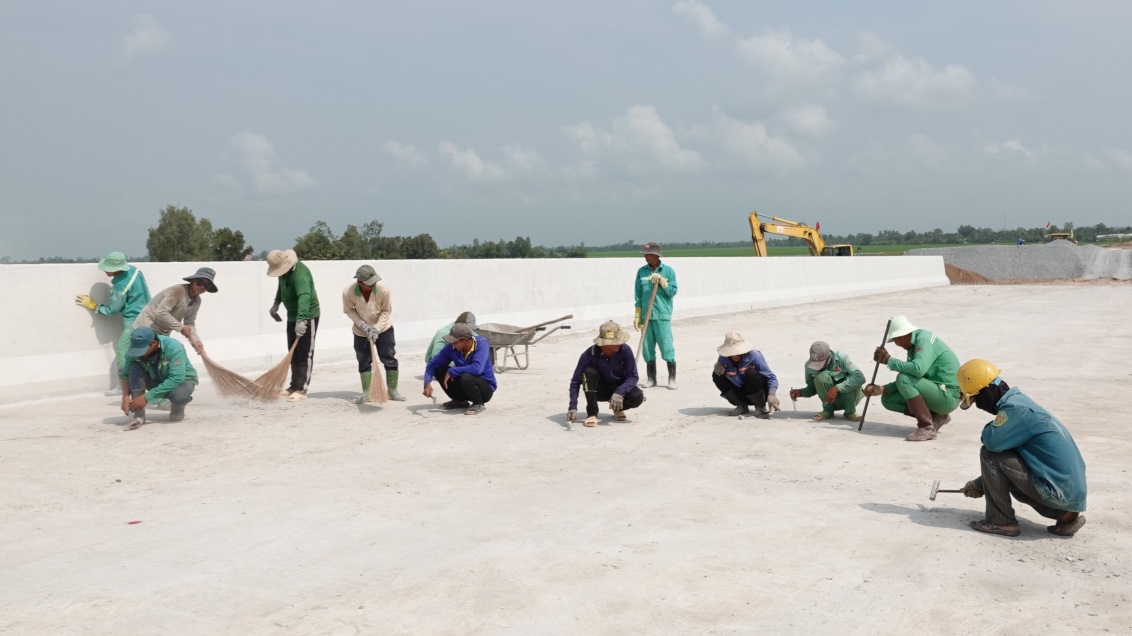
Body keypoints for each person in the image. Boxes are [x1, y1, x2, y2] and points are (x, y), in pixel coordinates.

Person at [955, 359, 1087, 538]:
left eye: (977, 399)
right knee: (1005, 451)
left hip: (1058, 493)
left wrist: (981, 483)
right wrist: (979, 484)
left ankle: (1001, 521)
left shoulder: (1016, 410)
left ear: (986, 391)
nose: (978, 406)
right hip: (1069, 493)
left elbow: (991, 440)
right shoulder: (1021, 402)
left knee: (990, 454)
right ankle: (1064, 516)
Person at [864, 315, 960, 442]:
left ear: (903, 335)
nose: (896, 344)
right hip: (937, 390)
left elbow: (917, 370)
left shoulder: (924, 340)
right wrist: (883, 389)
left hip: (948, 395)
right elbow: (915, 377)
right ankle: (937, 416)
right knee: (888, 399)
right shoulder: (913, 346)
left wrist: (889, 360)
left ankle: (927, 427)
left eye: (896, 340)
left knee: (903, 378)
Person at [75, 251, 151, 395]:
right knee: (144, 353)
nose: (105, 271)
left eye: (108, 268)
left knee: (123, 350)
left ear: (117, 269)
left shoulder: (120, 286)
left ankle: (124, 386)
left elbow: (113, 310)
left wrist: (94, 306)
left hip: (134, 321)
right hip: (149, 314)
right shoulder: (135, 271)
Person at [343, 264, 404, 403]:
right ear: (359, 282)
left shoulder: (383, 290)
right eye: (369, 284)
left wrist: (376, 328)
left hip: (383, 329)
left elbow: (386, 311)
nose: (373, 285)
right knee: (364, 361)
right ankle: (367, 393)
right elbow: (348, 310)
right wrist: (362, 325)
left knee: (389, 357)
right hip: (361, 331)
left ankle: (393, 391)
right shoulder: (348, 293)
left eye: (374, 282)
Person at [567, 320, 645, 427]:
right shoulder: (588, 355)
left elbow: (633, 376)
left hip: (618, 389)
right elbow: (575, 382)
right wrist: (572, 407)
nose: (619, 344)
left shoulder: (625, 350)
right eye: (615, 342)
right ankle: (592, 413)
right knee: (589, 371)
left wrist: (620, 392)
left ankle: (617, 408)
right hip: (598, 390)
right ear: (604, 344)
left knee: (637, 396)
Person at [266, 249, 320, 401]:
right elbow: (281, 288)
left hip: (307, 315)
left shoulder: (300, 274)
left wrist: (302, 320)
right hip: (292, 315)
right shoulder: (284, 272)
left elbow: (305, 296)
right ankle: (293, 385)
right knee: (293, 352)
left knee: (305, 352)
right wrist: (276, 303)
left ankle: (302, 389)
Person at [121, 326, 199, 430]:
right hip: (155, 380)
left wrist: (146, 397)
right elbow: (125, 375)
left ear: (153, 343)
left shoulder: (173, 347)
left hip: (181, 382)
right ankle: (138, 414)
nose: (139, 353)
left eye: (143, 350)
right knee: (134, 368)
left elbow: (176, 378)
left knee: (179, 397)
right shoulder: (132, 352)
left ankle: (177, 408)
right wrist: (125, 397)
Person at [134, 266, 217, 356]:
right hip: (147, 326)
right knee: (149, 359)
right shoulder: (178, 290)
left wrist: (195, 341)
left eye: (207, 285)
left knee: (163, 359)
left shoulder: (197, 301)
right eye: (200, 282)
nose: (202, 287)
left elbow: (189, 323)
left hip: (163, 331)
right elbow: (161, 313)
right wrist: (180, 328)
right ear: (193, 280)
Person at [423, 322, 496, 415]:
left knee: (466, 376)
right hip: (464, 384)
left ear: (465, 340)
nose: (452, 344)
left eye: (455, 342)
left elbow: (477, 369)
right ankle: (460, 401)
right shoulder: (451, 348)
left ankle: (478, 403)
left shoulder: (481, 343)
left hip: (484, 389)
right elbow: (432, 364)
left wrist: (452, 370)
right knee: (439, 369)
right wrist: (427, 383)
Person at [633, 242, 678, 389]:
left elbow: (672, 292)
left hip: (662, 314)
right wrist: (637, 314)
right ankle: (651, 379)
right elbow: (638, 295)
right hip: (646, 316)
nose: (645, 257)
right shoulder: (641, 272)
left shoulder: (668, 271)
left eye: (648, 254)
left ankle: (672, 379)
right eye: (645, 254)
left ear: (656, 256)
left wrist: (663, 283)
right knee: (647, 348)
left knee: (666, 346)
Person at [789, 341, 865, 422]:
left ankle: (850, 412)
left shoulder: (842, 358)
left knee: (851, 379)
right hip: (830, 400)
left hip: (851, 398)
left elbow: (860, 377)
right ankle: (828, 411)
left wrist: (837, 388)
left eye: (820, 363)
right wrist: (801, 392)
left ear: (828, 357)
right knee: (820, 378)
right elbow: (813, 388)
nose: (818, 366)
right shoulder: (809, 367)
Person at [711, 332, 781, 419]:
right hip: (739, 391)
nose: (735, 355)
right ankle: (741, 405)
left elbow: (771, 377)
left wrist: (772, 395)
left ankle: (760, 407)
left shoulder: (755, 356)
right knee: (716, 374)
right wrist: (717, 366)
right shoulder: (723, 357)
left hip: (758, 392)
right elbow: (721, 372)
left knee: (750, 372)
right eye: (732, 353)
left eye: (738, 352)